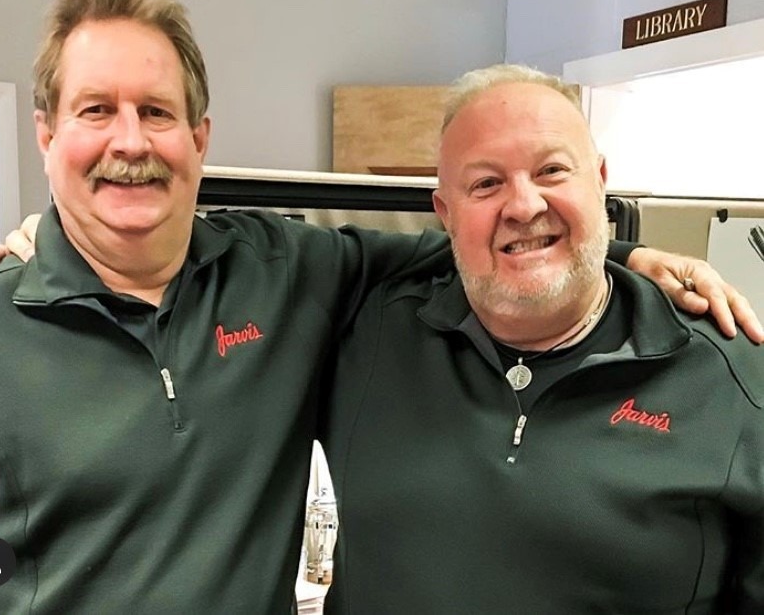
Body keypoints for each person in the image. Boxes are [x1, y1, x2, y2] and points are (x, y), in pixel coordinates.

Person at [0, 0, 759, 614]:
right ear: (46, 134)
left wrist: (626, 253)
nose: (130, 141)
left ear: (198, 138)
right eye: (96, 110)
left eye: (156, 112)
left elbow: (493, 251)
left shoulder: (286, 272)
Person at [320, 64, 764, 613]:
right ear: (445, 213)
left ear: (600, 181)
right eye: (486, 184)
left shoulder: (731, 377)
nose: (524, 205)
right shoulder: (368, 328)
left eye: (552, 170)